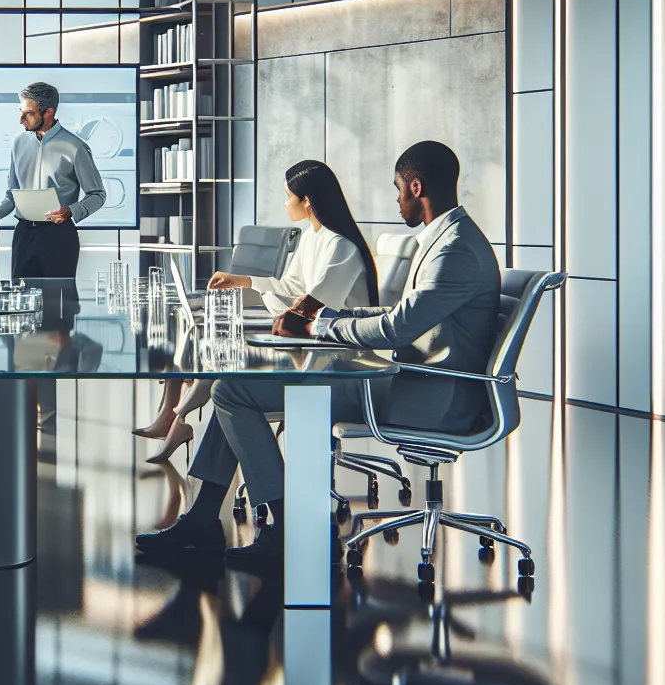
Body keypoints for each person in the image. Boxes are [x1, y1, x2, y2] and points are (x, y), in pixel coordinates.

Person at [135, 141, 501, 572]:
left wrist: (318, 325)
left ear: (416, 186)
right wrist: (329, 315)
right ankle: (203, 520)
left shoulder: (453, 249)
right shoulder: (448, 238)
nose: (396, 198)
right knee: (230, 387)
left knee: (233, 391)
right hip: (414, 382)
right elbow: (396, 315)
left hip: (428, 397)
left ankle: (294, 529)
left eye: (399, 188)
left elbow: (397, 328)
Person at [134, 159, 379, 462]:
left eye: (289, 196)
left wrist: (261, 300)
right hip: (304, 341)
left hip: (330, 355)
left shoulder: (341, 247)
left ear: (308, 202)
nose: (285, 202)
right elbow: (291, 286)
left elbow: (309, 307)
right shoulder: (312, 236)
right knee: (219, 352)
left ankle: (178, 418)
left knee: (226, 364)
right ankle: (178, 419)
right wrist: (245, 281)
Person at [0, 81, 106, 281]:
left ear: (48, 112)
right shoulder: (18, 143)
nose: (21, 119)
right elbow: (12, 192)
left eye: (28, 113)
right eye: (21, 112)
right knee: (20, 301)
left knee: (58, 303)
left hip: (58, 236)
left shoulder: (75, 147)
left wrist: (71, 211)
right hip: (24, 234)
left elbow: (98, 195)